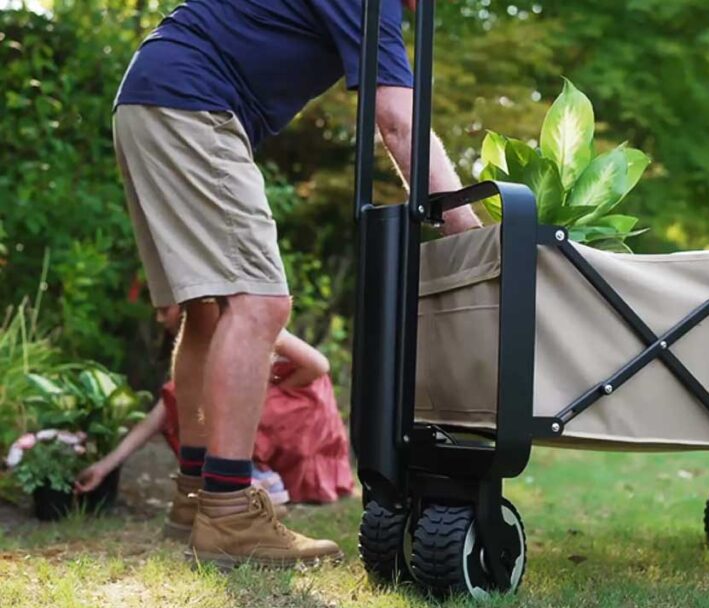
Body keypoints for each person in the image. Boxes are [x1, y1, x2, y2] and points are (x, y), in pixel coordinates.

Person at [111, 0, 478, 569]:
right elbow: (398, 121)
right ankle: (229, 510)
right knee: (259, 303)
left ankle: (194, 497)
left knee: (207, 310)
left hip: (151, 95)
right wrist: (472, 236)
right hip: (191, 102)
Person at [75, 305, 354, 538]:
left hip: (296, 412)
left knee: (222, 401)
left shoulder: (245, 318)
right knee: (181, 396)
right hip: (256, 416)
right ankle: (242, 480)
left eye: (163, 309)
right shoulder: (196, 358)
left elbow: (319, 365)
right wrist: (105, 466)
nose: (159, 318)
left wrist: (264, 392)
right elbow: (154, 420)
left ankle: (252, 481)